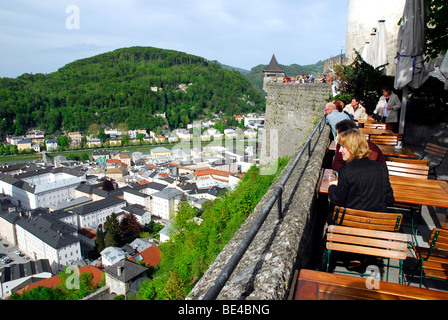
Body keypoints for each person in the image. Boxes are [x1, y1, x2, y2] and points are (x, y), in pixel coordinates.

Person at [328, 129, 395, 212]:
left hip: (352, 221)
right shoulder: (381, 168)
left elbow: (338, 201)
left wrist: (332, 188)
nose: (340, 150)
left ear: (352, 147)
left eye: (343, 146)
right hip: (378, 222)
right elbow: (389, 200)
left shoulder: (346, 171)